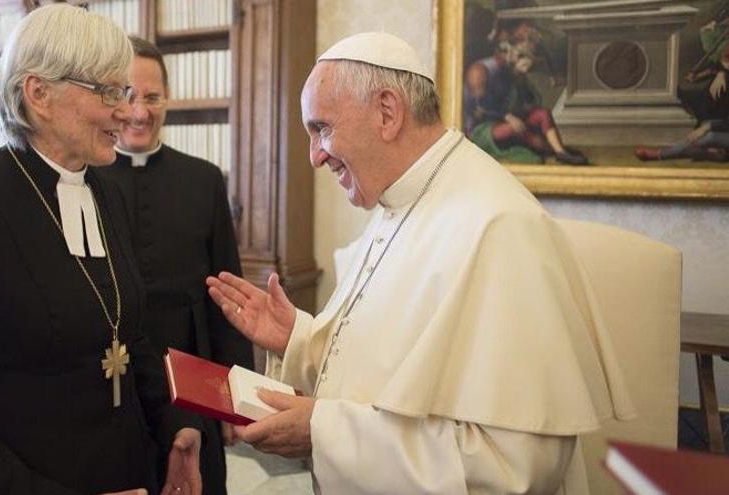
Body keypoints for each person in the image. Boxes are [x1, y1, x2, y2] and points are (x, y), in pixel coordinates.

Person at [206, 32, 635, 494]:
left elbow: (516, 468)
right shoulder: (400, 200)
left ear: (387, 112)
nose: (315, 156)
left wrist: (322, 431)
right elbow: (385, 366)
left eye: (322, 128)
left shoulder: (500, 227)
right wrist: (298, 339)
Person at [0, 5, 202, 495]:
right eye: (108, 91)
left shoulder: (105, 191)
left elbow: (129, 335)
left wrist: (175, 427)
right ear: (39, 94)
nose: (126, 110)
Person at [96, 36, 253, 495]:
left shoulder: (203, 179)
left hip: (191, 369)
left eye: (152, 97)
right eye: (127, 95)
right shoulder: (85, 179)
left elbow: (227, 290)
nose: (140, 111)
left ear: (168, 98)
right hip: (114, 379)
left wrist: (234, 393)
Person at [464, 37, 588, 165]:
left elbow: (530, 100)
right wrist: (507, 116)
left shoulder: (510, 69)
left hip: (506, 118)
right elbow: (481, 107)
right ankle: (548, 149)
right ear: (506, 51)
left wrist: (520, 78)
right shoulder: (480, 70)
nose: (522, 58)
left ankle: (560, 152)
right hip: (483, 128)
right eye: (519, 54)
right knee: (518, 129)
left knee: (542, 113)